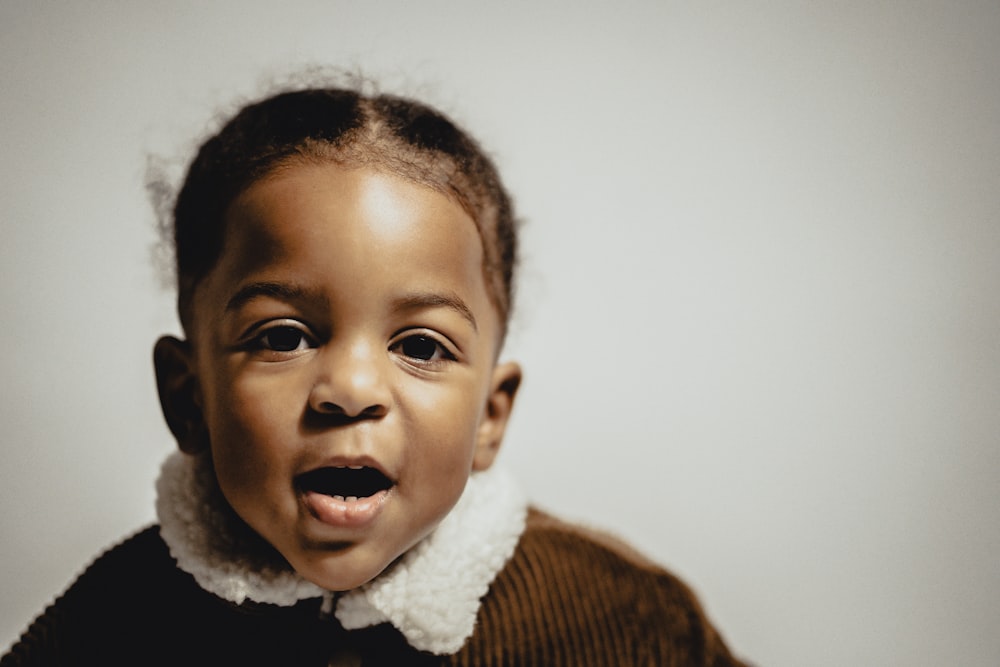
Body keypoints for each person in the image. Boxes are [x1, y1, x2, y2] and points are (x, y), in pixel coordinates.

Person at [2, 85, 749, 666]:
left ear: (490, 415)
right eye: (284, 336)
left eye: (421, 346)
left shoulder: (625, 619)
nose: (352, 391)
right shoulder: (111, 622)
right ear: (188, 398)